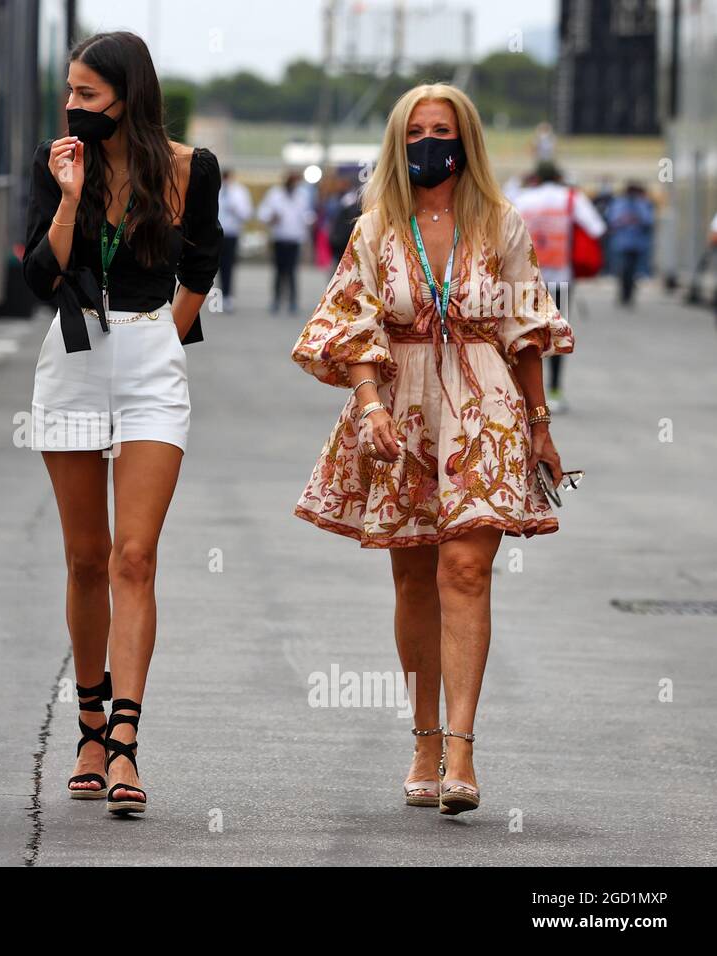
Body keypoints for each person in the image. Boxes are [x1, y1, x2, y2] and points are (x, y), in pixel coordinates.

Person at [291, 83, 573, 817]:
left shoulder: (502, 224)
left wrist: (541, 425)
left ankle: (463, 748)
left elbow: (527, 328)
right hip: (401, 408)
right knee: (415, 579)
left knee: (468, 569)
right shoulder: (376, 228)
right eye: (414, 131)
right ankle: (423, 739)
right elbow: (349, 327)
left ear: (465, 139)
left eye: (441, 130)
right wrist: (371, 404)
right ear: (397, 140)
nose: (428, 143)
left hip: (486, 405)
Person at [20, 30, 221, 816]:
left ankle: (128, 747)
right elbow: (40, 275)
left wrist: (163, 336)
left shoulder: (187, 168)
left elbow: (201, 262)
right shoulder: (58, 160)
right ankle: (89, 727)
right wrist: (69, 197)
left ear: (128, 97)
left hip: (148, 357)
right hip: (70, 358)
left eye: (88, 95)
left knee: (134, 558)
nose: (74, 107)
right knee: (85, 559)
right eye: (69, 93)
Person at [512, 161, 605, 413]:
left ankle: (524, 394)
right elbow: (597, 227)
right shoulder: (571, 198)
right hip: (560, 278)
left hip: (525, 279)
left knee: (525, 335)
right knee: (556, 334)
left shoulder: (522, 198)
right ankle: (553, 391)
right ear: (558, 176)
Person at [258, 171, 313, 314]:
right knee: (278, 271)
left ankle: (293, 301)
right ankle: (276, 300)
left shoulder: (302, 195)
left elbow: (308, 215)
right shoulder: (274, 194)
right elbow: (262, 212)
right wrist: (271, 217)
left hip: (294, 239)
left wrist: (309, 224)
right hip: (279, 238)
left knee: (292, 272)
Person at [604, 182, 654, 306]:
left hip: (637, 243)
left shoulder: (642, 204)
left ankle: (629, 293)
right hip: (621, 243)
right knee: (623, 269)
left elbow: (648, 220)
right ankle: (624, 293)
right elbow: (612, 220)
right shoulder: (619, 203)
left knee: (632, 270)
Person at [216, 167, 253, 312]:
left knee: (228, 266)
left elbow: (247, 213)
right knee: (215, 267)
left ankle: (228, 296)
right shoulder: (215, 190)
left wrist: (235, 208)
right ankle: (218, 297)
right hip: (216, 233)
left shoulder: (239, 192)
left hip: (231, 233)